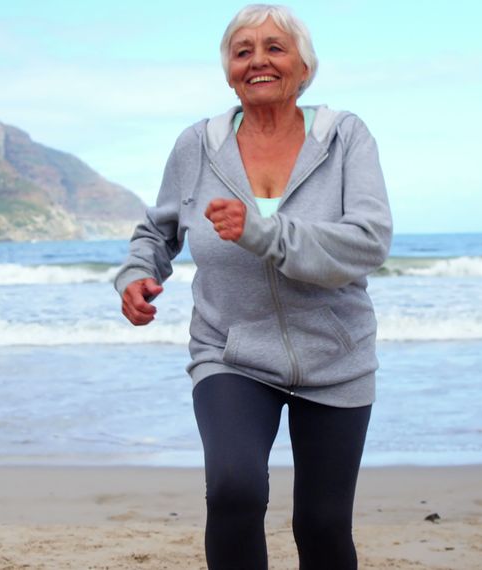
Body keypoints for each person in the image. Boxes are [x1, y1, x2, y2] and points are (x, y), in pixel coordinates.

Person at [115, 4, 392, 568]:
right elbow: (158, 229)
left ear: (303, 67)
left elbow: (368, 242)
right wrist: (139, 273)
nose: (258, 60)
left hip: (335, 355)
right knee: (235, 491)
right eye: (243, 51)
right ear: (228, 70)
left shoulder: (345, 138)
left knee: (322, 524)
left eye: (274, 48)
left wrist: (263, 232)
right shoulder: (198, 145)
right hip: (230, 350)